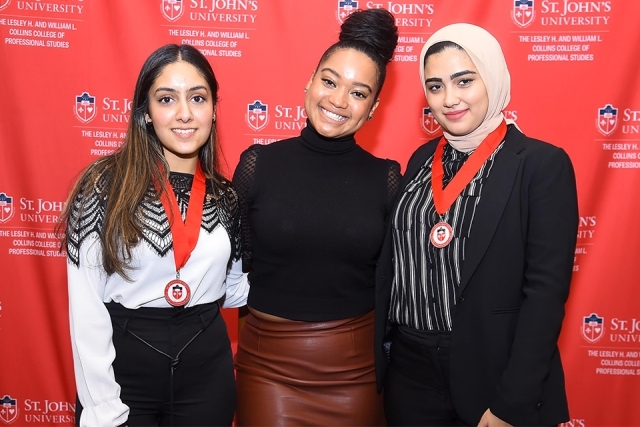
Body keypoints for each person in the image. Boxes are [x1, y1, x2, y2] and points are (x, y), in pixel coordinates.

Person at [374, 23, 579, 426]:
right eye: (435, 86)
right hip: (409, 373)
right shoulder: (420, 161)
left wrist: (512, 403)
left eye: (464, 81)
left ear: (493, 78)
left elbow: (544, 296)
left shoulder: (541, 165)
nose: (449, 99)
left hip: (493, 373)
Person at [58, 44, 248, 427]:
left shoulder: (226, 197)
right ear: (146, 112)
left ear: (214, 109)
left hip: (206, 371)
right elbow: (87, 307)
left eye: (198, 98)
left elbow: (233, 289)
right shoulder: (103, 186)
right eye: (166, 99)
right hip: (124, 370)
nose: (184, 113)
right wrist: (103, 407)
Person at [232, 8, 400, 426]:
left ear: (373, 108)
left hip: (357, 372)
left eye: (358, 93)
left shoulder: (388, 179)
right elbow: (237, 264)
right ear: (310, 81)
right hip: (268, 367)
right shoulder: (258, 165)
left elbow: (393, 282)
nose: (338, 100)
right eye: (329, 81)